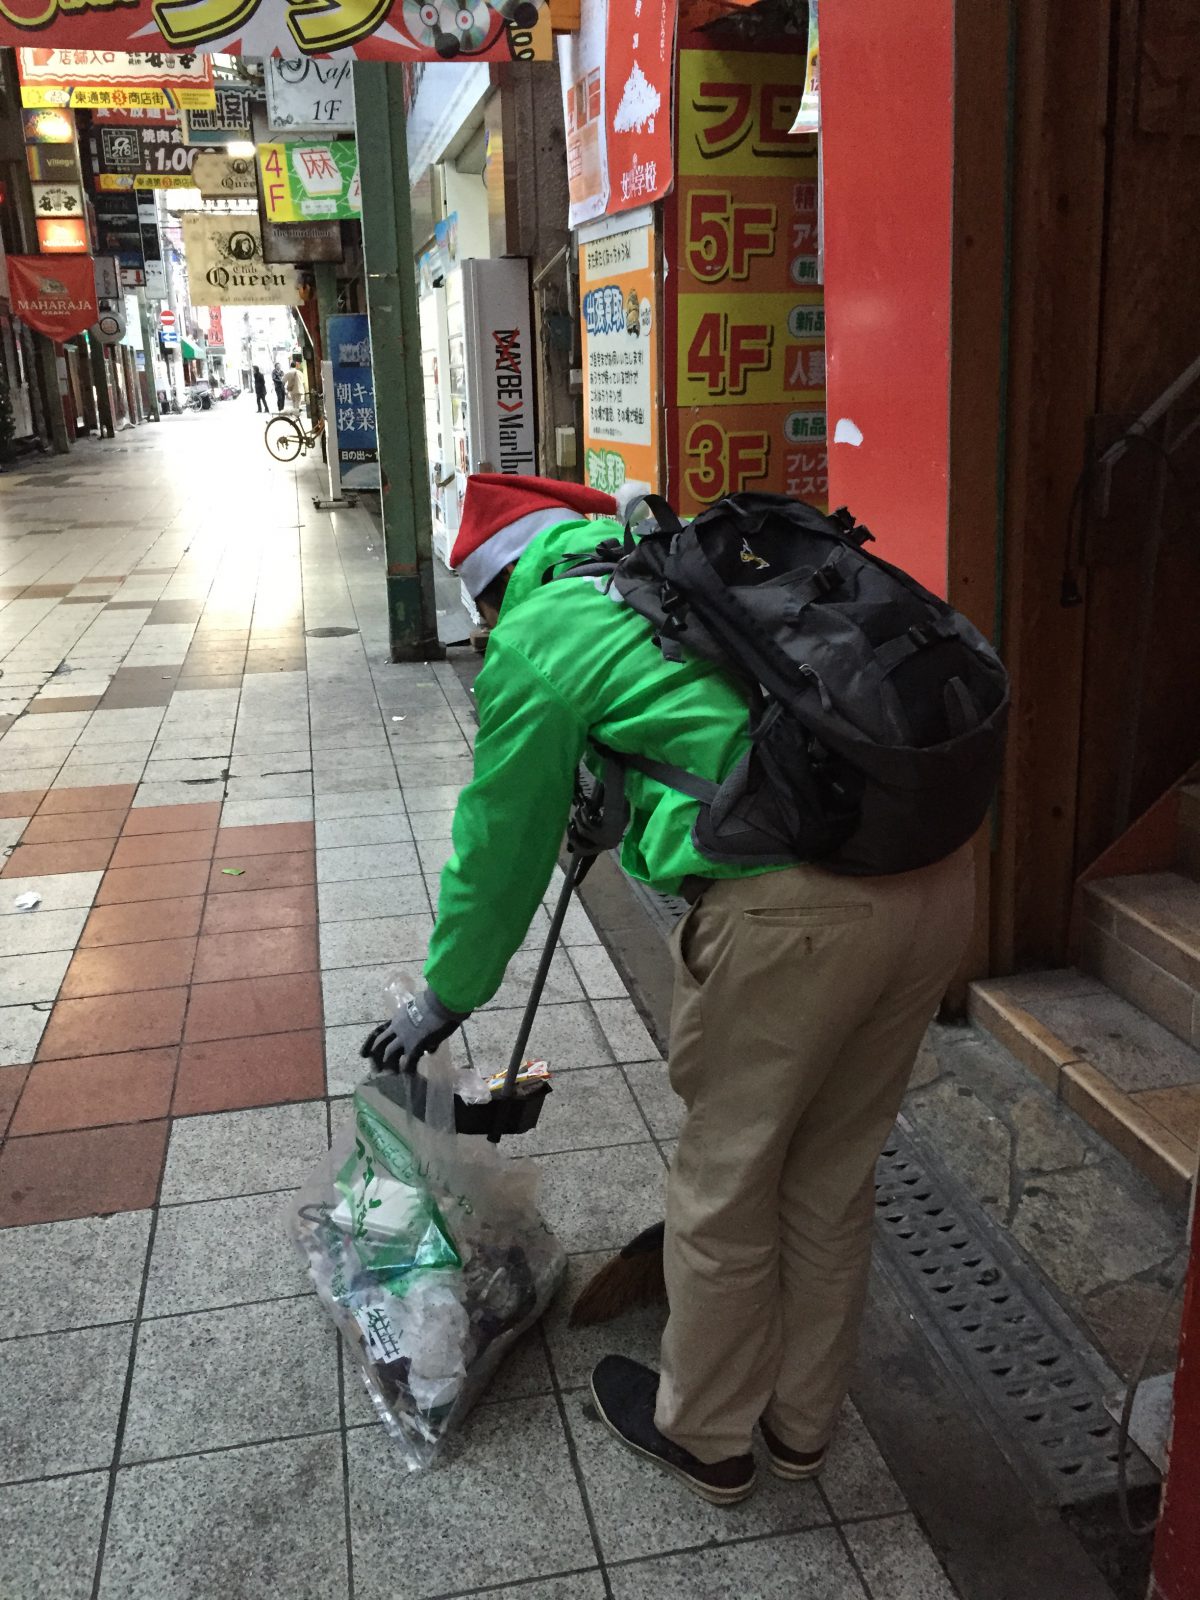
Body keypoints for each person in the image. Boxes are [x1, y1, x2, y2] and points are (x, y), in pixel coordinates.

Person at [360, 473, 975, 1506]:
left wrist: (444, 995)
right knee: (828, 1171)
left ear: (495, 589)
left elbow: (496, 846)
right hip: (935, 875)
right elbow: (706, 732)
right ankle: (801, 1426)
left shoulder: (539, 634)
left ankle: (708, 1437)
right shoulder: (677, 572)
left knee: (726, 1182)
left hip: (797, 912)